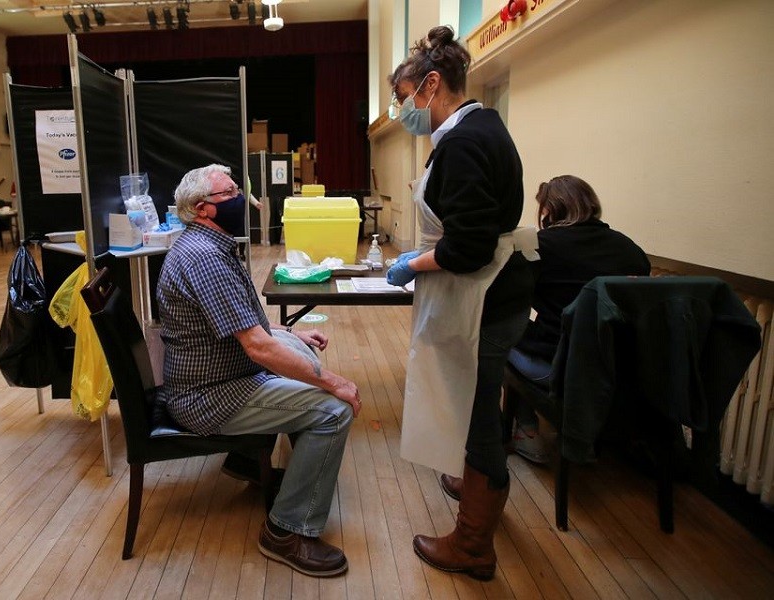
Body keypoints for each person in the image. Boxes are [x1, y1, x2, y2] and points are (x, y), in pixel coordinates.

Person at [156, 164, 360, 578]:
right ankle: (286, 530)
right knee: (333, 410)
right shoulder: (204, 259)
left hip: (219, 375)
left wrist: (289, 332)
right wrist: (333, 383)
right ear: (202, 209)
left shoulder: (208, 246)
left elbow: (246, 326)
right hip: (210, 395)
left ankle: (249, 461)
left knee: (300, 354)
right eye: (230, 193)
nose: (242, 202)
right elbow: (256, 346)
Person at [385, 26, 535, 581]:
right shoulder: (478, 126)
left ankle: (473, 544)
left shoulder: (466, 141)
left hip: (485, 301)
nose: (403, 112)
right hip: (493, 296)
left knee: (478, 421)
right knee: (474, 406)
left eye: (403, 100)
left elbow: (467, 247)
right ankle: (473, 478)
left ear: (431, 84)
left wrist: (410, 266)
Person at [507, 175, 651, 463]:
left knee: (497, 337)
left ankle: (527, 431)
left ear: (550, 210)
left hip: (558, 367)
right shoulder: (629, 249)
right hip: (619, 369)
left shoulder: (539, 245)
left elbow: (513, 294)